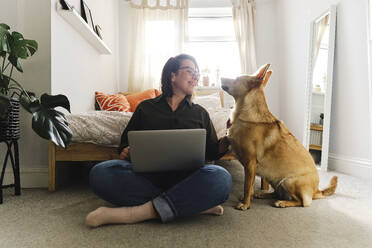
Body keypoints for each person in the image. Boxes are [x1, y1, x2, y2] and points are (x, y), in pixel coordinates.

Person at [85, 54, 232, 227]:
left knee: (221, 178)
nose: (196, 76)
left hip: (187, 179)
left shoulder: (200, 113)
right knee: (100, 173)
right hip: (146, 179)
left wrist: (228, 140)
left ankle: (136, 213)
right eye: (190, 71)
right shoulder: (145, 108)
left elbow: (212, 151)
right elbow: (125, 143)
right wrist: (125, 150)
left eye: (197, 73)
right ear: (173, 75)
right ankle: (191, 204)